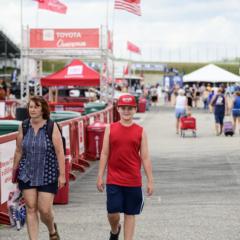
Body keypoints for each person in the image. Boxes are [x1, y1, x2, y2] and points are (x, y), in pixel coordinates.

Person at [97, 94, 154, 240]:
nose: (126, 111)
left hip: (133, 180)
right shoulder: (110, 128)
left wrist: (150, 180)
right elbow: (104, 153)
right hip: (114, 179)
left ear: (135, 110)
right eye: (123, 108)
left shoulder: (140, 131)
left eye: (130, 108)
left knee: (130, 213)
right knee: (112, 212)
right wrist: (100, 176)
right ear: (118, 109)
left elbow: (145, 157)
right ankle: (115, 230)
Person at [12, 96, 66, 240]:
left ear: (43, 109)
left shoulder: (51, 126)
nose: (33, 110)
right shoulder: (23, 126)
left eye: (36, 107)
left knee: (45, 210)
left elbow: (60, 152)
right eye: (30, 107)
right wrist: (14, 171)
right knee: (31, 208)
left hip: (48, 173)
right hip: (27, 173)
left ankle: (52, 229)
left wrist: (62, 175)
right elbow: (18, 150)